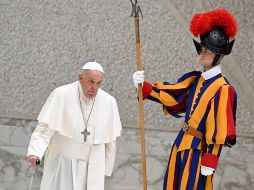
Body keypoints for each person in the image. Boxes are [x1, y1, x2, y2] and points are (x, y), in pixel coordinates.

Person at [133, 9, 238, 190]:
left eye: (208, 51)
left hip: (199, 153)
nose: (202, 53)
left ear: (218, 55)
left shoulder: (223, 89)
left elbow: (219, 130)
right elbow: (174, 97)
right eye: (202, 49)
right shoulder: (195, 79)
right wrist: (145, 86)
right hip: (181, 143)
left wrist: (210, 161)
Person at [27, 61, 122, 190]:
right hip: (63, 164)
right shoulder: (61, 94)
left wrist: (105, 169)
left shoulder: (108, 101)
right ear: (80, 77)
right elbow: (44, 128)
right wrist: (35, 152)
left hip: (92, 168)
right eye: (91, 82)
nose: (94, 88)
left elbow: (110, 140)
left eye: (98, 83)